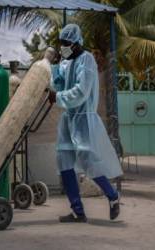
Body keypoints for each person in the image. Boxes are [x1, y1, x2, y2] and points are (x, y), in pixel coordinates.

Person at [49, 24, 123, 223]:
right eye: (61, 43)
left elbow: (81, 92)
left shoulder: (87, 60)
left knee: (89, 162)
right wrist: (55, 68)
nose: (63, 47)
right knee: (63, 161)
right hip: (68, 119)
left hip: (84, 118)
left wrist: (58, 97)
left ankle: (113, 196)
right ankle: (77, 210)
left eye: (66, 43)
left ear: (76, 43)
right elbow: (56, 85)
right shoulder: (65, 63)